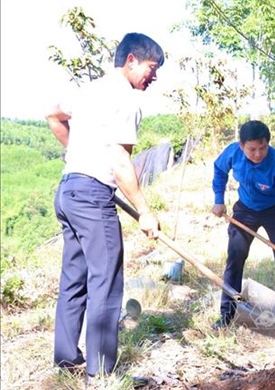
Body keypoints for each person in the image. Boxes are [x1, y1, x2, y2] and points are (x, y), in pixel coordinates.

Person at [45, 33, 164, 377]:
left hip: (69, 190)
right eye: (151, 68)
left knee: (75, 278)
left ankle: (67, 358)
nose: (153, 77)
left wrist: (78, 155)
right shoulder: (126, 99)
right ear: (131, 60)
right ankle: (101, 374)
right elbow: (121, 164)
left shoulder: (88, 90)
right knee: (106, 283)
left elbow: (52, 116)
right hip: (92, 198)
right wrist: (144, 210)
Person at [211, 120, 275, 330]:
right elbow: (219, 169)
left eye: (263, 148)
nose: (258, 154)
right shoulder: (233, 153)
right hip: (245, 209)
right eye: (252, 149)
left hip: (274, 210)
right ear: (241, 145)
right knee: (235, 257)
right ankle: (227, 315)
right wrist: (218, 199)